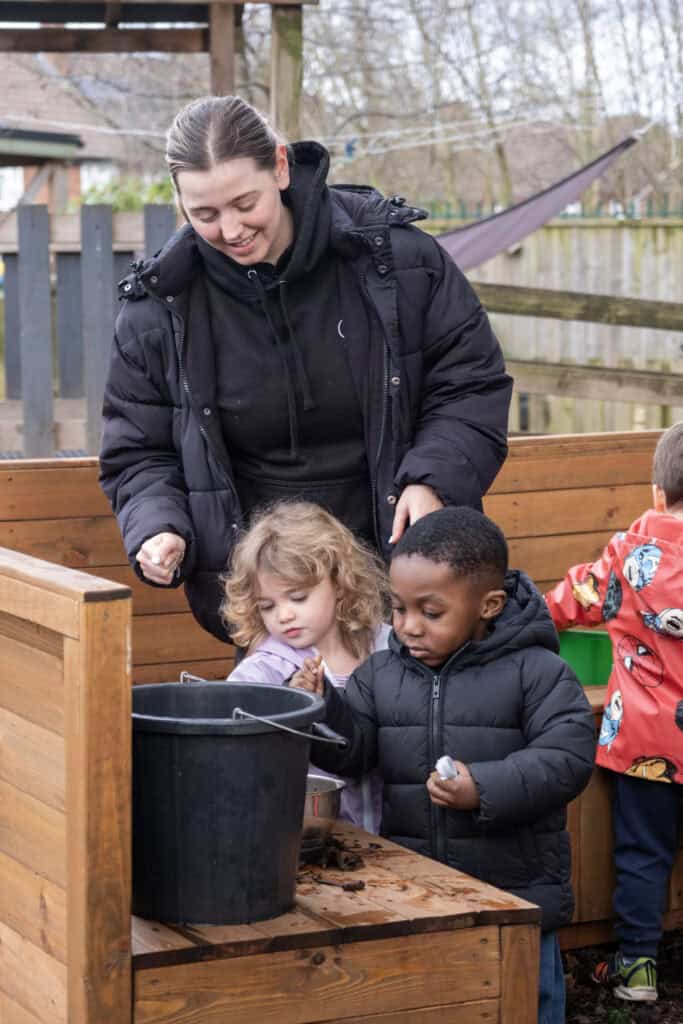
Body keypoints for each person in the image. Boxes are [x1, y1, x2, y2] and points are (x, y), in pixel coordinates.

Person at [99, 94, 512, 642]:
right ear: (180, 201)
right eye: (204, 214)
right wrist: (158, 524)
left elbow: (469, 385)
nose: (231, 229)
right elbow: (138, 452)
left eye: (245, 203)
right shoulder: (157, 308)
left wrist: (433, 479)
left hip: (405, 584)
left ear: (280, 166)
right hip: (272, 607)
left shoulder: (400, 262)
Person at [293, 505, 596, 1024]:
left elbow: (567, 757)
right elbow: (357, 751)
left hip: (517, 895)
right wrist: (321, 709)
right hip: (419, 892)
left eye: (430, 613)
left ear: (489, 604)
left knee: (525, 1006)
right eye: (399, 609)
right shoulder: (382, 674)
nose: (408, 627)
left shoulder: (538, 671)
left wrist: (486, 787)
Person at [545, 421, 683, 1004]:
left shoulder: (630, 553)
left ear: (658, 493)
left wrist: (528, 618)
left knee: (643, 854)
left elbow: (576, 596)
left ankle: (635, 970)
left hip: (646, 746)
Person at [223, 500, 389, 833]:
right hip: (311, 838)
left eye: (298, 598)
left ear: (339, 583)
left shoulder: (388, 646)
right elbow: (229, 733)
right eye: (267, 606)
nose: (283, 615)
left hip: (398, 841)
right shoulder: (264, 671)